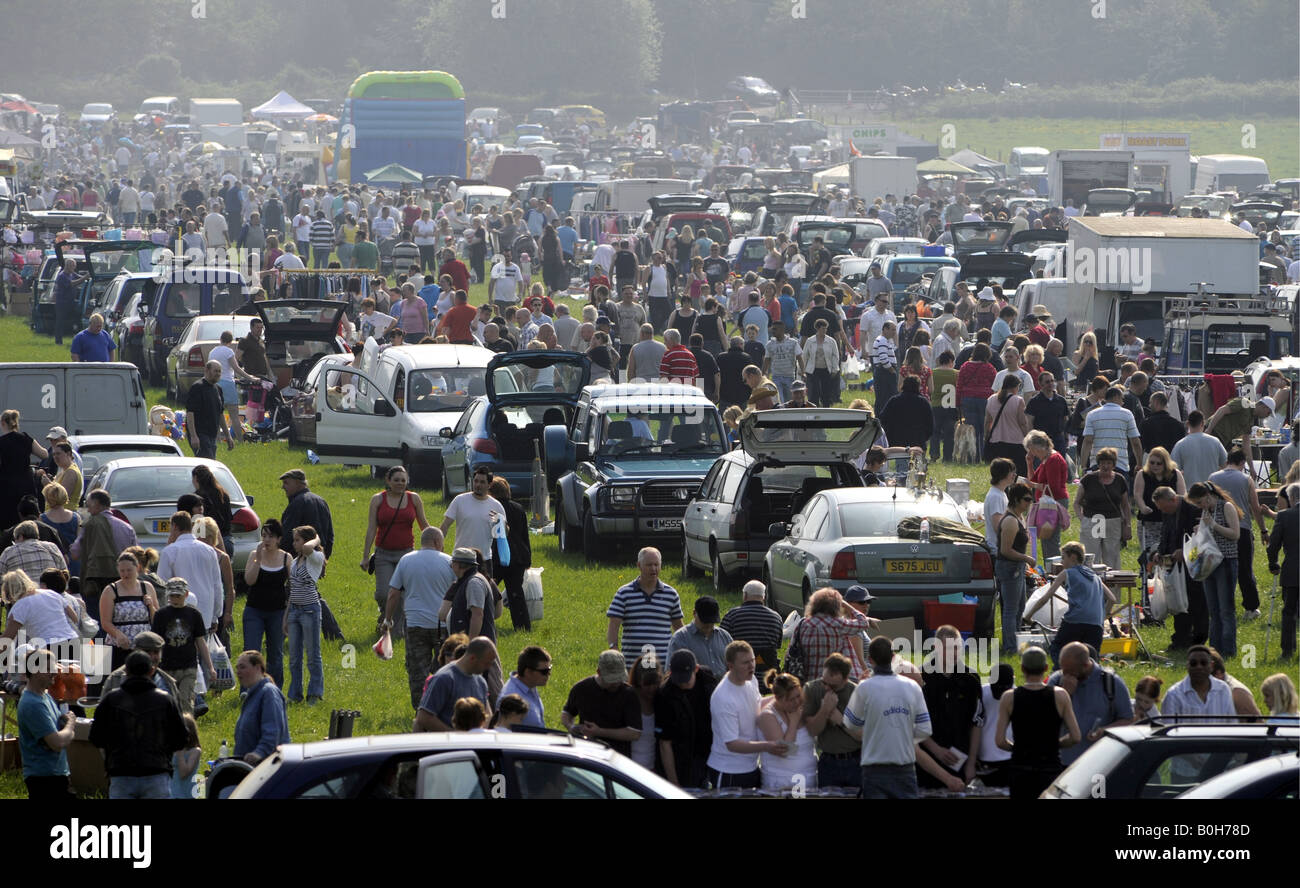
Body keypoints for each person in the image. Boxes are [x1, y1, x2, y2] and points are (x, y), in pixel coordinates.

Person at [842, 636, 934, 799]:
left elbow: (850, 723)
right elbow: (925, 729)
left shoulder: (864, 688)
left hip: (874, 768)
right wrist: (902, 737)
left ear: (870, 660)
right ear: (893, 657)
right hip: (905, 766)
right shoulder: (912, 687)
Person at [88, 650, 187, 799]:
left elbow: (96, 737)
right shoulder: (165, 700)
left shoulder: (111, 699)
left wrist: (113, 751)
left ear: (126, 671)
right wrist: (164, 752)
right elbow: (181, 739)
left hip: (121, 772)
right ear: (152, 670)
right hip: (157, 772)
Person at [996, 646, 1081, 799]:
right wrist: (1054, 744)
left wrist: (1018, 748)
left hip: (1020, 770)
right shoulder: (1060, 695)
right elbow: (1075, 736)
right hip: (1050, 769)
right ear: (1046, 668)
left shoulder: (1009, 698)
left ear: (1022, 669)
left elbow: (1000, 741)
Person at [385, 527, 456, 709]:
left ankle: (421, 708)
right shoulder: (449, 562)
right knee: (445, 668)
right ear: (438, 542)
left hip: (415, 624)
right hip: (442, 624)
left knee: (417, 670)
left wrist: (388, 620)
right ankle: (442, 706)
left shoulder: (406, 560)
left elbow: (393, 593)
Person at [362, 466, 430, 638]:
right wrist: (365, 556)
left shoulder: (414, 499)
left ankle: (396, 630)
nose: (400, 483)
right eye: (396, 480)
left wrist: (435, 545)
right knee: (383, 593)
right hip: (383, 554)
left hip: (406, 555)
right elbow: (371, 528)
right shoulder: (378, 500)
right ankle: (385, 618)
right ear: (388, 481)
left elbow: (424, 525)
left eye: (403, 480)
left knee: (401, 595)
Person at [707, 641, 787, 788]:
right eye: (745, 663)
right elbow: (732, 744)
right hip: (729, 771)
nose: (752, 666)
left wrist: (783, 698)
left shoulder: (751, 680)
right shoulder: (723, 697)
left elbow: (756, 705)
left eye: (752, 660)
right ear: (731, 666)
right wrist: (768, 746)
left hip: (751, 766)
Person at [1026, 542, 1115, 666]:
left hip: (1075, 621)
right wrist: (1102, 617)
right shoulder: (1095, 576)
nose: (1062, 562)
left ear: (1072, 557)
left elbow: (1045, 598)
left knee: (1056, 648)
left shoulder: (1067, 573)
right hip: (1095, 625)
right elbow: (1112, 598)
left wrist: (1028, 616)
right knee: (1091, 660)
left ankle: (1061, 675)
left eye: (1063, 557)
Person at [1210, 448, 1273, 621]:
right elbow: (1255, 507)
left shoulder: (1213, 477)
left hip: (1219, 529)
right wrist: (1263, 530)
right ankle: (1251, 607)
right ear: (1242, 463)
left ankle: (1221, 604)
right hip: (1242, 528)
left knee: (1220, 569)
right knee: (1245, 570)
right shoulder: (1246, 479)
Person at [917, 626, 983, 789]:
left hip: (960, 760)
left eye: (958, 648)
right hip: (928, 760)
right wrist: (936, 749)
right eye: (949, 648)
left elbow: (977, 722)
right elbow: (911, 723)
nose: (955, 653)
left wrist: (971, 763)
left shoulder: (970, 678)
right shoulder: (921, 677)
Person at [1047, 641, 1134, 766]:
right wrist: (1065, 695)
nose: (1064, 675)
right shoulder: (1056, 681)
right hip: (1062, 763)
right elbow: (1046, 719)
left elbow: (1128, 720)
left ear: (1085, 666)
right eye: (1063, 670)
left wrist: (1104, 730)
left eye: (1070, 671)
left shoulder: (1110, 682)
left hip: (1099, 764)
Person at [1185, 481, 1242, 658]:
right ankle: (1214, 650)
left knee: (1226, 609)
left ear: (1210, 495)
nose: (1200, 506)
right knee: (1213, 610)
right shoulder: (1206, 511)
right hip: (1209, 564)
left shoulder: (1226, 507)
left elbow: (1235, 534)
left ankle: (1228, 650)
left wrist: (1213, 526)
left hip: (1225, 561)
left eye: (1201, 502)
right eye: (1197, 504)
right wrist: (1200, 530)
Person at [438, 547, 504, 699]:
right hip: (476, 651)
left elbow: (477, 614)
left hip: (479, 652)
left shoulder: (474, 582)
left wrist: (470, 647)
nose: (451, 566)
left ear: (460, 565)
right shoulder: (468, 581)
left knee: (491, 692)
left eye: (453, 563)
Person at [607, 547, 684, 666]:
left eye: (656, 565)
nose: (654, 569)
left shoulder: (671, 594)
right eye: (649, 565)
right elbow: (613, 625)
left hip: (663, 666)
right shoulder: (624, 593)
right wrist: (614, 648)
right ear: (639, 565)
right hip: (631, 666)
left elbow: (679, 627)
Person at [17, 649, 76, 799]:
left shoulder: (44, 695)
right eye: (49, 668)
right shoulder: (33, 704)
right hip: (44, 779)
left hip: (55, 775)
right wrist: (70, 725)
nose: (55, 672)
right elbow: (57, 742)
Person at [150, 578, 214, 715]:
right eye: (172, 595)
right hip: (166, 667)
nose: (175, 599)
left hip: (188, 667)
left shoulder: (194, 614)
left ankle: (187, 731)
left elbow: (200, 642)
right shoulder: (161, 615)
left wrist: (210, 667)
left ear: (186, 594)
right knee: (169, 702)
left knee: (185, 701)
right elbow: (156, 642)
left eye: (178, 595)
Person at [560, 650, 642, 758]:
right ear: (599, 672)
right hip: (587, 754)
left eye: (619, 678)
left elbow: (634, 733)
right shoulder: (581, 689)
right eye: (612, 680)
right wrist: (572, 727)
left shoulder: (629, 694)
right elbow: (567, 713)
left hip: (617, 759)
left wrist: (599, 732)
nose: (617, 683)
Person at [72, 489, 138, 622]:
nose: (88, 510)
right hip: (123, 580)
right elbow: (136, 555)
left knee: (98, 619)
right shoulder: (126, 527)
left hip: (96, 582)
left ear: (97, 504)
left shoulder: (91, 524)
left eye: (89, 505)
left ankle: (101, 642)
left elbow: (75, 553)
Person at [242, 520, 290, 689]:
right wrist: (258, 559)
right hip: (254, 611)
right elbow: (249, 580)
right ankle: (248, 688)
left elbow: (292, 587)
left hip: (277, 612)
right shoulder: (254, 555)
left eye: (271, 536)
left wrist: (288, 613)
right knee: (251, 651)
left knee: (275, 653)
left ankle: (274, 689)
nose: (266, 540)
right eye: (264, 536)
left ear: (279, 539)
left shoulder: (286, 558)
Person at [416, 637, 497, 731]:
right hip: (448, 744)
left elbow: (487, 715)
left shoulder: (480, 682)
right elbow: (424, 717)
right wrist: (456, 736)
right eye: (486, 663)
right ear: (472, 658)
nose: (488, 668)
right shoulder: (444, 679)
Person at [284, 526, 326, 705]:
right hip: (294, 610)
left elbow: (310, 548)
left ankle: (315, 693)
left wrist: (317, 538)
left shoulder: (316, 558)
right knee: (294, 657)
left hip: (310, 610)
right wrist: (286, 616)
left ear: (307, 541)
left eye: (297, 540)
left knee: (312, 654)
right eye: (294, 540)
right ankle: (295, 694)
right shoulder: (294, 561)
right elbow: (292, 590)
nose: (294, 544)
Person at [756, 671, 818, 791]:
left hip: (809, 781)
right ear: (778, 699)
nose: (797, 702)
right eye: (791, 699)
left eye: (798, 696)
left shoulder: (802, 707)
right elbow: (785, 751)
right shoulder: (767, 716)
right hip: (780, 784)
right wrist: (793, 722)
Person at [99, 551, 159, 672]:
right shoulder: (110, 590)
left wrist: (151, 606)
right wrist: (118, 635)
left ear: (137, 568)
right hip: (120, 645)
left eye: (129, 570)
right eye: (122, 571)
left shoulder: (147, 587)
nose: (125, 574)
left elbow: (156, 618)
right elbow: (105, 622)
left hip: (143, 644)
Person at [795, 587, 873, 680]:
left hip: (809, 678)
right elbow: (864, 622)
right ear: (836, 606)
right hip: (833, 679)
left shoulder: (803, 624)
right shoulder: (838, 624)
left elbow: (791, 649)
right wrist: (847, 605)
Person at [439, 465, 503, 580]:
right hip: (460, 558)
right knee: (458, 595)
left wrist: (500, 522)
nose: (478, 485)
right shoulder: (460, 500)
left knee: (484, 595)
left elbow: (503, 535)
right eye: (476, 481)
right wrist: (437, 545)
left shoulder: (496, 506)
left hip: (484, 560)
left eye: (482, 482)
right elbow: (445, 525)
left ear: (489, 485)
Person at [1074, 448, 1131, 571]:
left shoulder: (1120, 480)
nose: (1105, 466)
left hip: (1113, 521)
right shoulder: (1088, 479)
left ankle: (1113, 588)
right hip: (1093, 520)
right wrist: (1082, 519)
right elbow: (1076, 503)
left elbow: (1125, 505)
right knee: (1091, 556)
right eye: (1102, 463)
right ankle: (1092, 586)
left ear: (1113, 464)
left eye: (1109, 463)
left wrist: (1127, 525)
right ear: (1098, 464)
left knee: (1112, 557)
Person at [996, 484, 1036, 654]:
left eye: (1031, 499)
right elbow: (1005, 550)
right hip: (1009, 568)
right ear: (1016, 499)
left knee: (1020, 607)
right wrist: (1026, 558)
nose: (1030, 502)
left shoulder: (1019, 517)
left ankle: (1017, 643)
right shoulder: (1011, 520)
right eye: (1027, 499)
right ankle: (1010, 647)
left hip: (1017, 567)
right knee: (1011, 609)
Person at [232, 650, 290, 766]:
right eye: (237, 668)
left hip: (267, 767)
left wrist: (259, 753)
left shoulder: (268, 693)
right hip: (250, 766)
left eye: (242, 667)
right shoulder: (252, 696)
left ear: (258, 668)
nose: (238, 672)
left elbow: (273, 730)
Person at [720, 580, 784, 680]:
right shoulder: (776, 618)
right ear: (764, 597)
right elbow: (778, 645)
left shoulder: (731, 616)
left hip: (739, 676)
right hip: (768, 678)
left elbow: (721, 643)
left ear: (745, 595)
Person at [1, 569, 77, 651]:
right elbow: (74, 618)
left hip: (49, 646)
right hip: (73, 640)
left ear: (9, 593)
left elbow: (6, 641)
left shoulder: (19, 607)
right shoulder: (51, 593)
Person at [1133, 448, 1186, 565]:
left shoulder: (1175, 474)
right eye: (1151, 463)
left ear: (1165, 463)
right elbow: (1137, 494)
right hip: (1149, 522)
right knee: (1150, 553)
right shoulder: (1142, 474)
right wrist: (1143, 507)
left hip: (1170, 521)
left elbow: (1182, 495)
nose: (1155, 466)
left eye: (1158, 463)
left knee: (1168, 552)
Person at [1025, 429, 1069, 561]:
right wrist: (1029, 463)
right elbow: (1033, 479)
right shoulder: (1045, 459)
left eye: (1033, 450)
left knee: (1050, 540)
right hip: (1045, 504)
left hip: (1054, 503)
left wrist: (1035, 486)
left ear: (1042, 446)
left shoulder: (1053, 459)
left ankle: (1054, 569)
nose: (1032, 453)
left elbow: (1053, 487)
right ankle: (1049, 567)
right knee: (1045, 538)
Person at [1267, 482, 1299, 660]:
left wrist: (1273, 563)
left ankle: (1287, 650)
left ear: (1292, 498)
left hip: (1292, 570)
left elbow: (1273, 546)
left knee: (1289, 611)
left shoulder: (1284, 516)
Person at [1160, 645, 1235, 720]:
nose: (1199, 667)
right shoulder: (1173, 695)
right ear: (1187, 666)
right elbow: (1168, 729)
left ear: (1211, 666)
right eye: (1193, 663)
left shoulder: (1223, 690)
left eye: (1203, 663)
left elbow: (1232, 725)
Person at [0, 410, 46, 530]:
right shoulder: (26, 438)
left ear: (3, 423)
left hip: (6, 485)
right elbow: (44, 454)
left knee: (8, 519)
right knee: (29, 516)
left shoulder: (1, 442)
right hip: (26, 483)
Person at [667, 596, 733, 678]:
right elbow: (671, 672)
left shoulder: (725, 636)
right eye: (705, 621)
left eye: (712, 621)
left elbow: (734, 665)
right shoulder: (680, 638)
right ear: (694, 613)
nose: (708, 625)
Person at [975, 664, 1015, 787]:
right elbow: (974, 726)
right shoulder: (981, 694)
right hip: (984, 759)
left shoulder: (1019, 696)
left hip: (1010, 758)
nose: (999, 691)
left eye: (1004, 687)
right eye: (995, 687)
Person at [278, 469, 334, 559]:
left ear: (298, 483)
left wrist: (282, 558)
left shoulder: (297, 504)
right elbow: (329, 535)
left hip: (299, 560)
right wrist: (324, 558)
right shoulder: (321, 501)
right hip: (318, 559)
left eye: (286, 483)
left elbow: (286, 535)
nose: (283, 487)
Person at [185, 360, 235, 459]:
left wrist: (228, 436)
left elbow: (220, 414)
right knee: (208, 462)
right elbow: (190, 413)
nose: (218, 374)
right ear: (206, 370)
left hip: (212, 435)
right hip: (200, 434)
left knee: (208, 465)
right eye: (215, 371)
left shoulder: (218, 389)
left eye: (219, 371)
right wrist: (194, 436)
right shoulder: (197, 387)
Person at [985, 375, 1031, 478]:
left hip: (996, 441)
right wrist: (1027, 438)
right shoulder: (1018, 400)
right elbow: (1022, 423)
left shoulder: (991, 399)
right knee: (1019, 472)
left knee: (1000, 473)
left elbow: (988, 422)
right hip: (1016, 441)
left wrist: (987, 436)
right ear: (1015, 387)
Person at [1170, 410, 1228, 487]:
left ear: (1187, 424)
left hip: (1190, 492)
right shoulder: (1215, 442)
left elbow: (1173, 471)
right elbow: (1226, 466)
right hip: (1211, 491)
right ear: (1203, 423)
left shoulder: (1180, 445)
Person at [497, 645, 550, 729]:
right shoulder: (510, 696)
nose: (548, 675)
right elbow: (506, 733)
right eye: (544, 672)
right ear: (528, 672)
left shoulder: (530, 685)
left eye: (549, 669)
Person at [879, 375, 933, 449]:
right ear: (918, 386)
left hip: (896, 442)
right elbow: (930, 424)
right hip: (918, 441)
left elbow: (883, 419)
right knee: (917, 459)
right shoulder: (923, 402)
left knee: (900, 460)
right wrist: (923, 438)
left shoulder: (894, 401)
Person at [0, 521, 67, 579]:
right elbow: (64, 572)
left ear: (20, 536)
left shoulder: (8, 552)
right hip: (50, 591)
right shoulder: (52, 547)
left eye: (15, 539)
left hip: (23, 592)